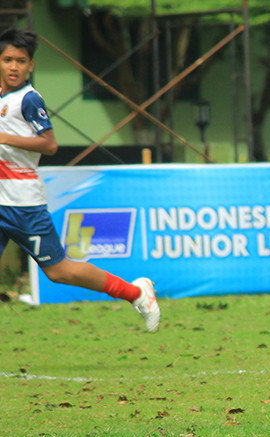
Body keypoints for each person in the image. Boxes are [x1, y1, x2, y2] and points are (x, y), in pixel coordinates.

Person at [0, 27, 160, 331]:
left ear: (30, 65)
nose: (14, 66)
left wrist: (3, 137)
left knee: (60, 272)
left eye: (21, 61)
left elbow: (50, 144)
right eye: (8, 59)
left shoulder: (29, 100)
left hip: (23, 204)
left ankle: (136, 293)